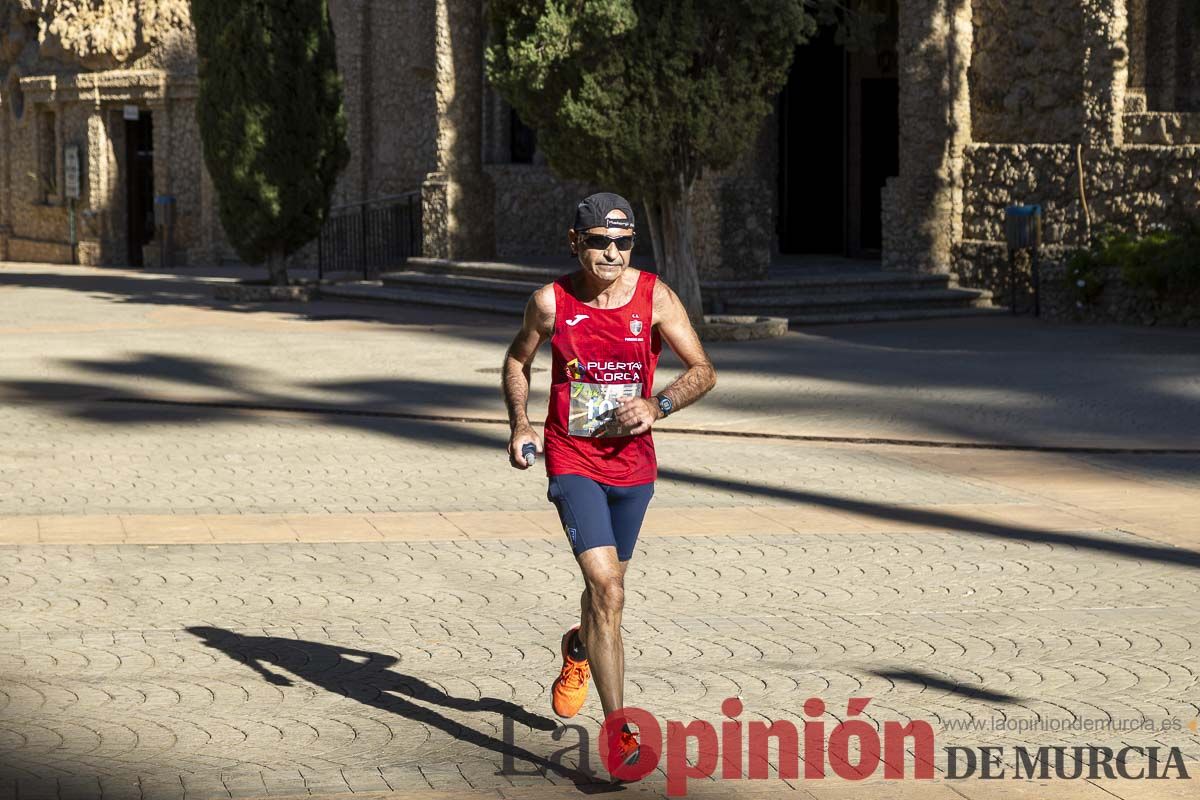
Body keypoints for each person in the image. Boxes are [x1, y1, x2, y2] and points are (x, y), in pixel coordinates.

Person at [501, 192, 717, 777]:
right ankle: (621, 731)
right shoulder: (550, 302)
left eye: (623, 243)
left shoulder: (655, 297)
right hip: (572, 459)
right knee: (609, 590)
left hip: (634, 467)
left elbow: (703, 370)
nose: (613, 253)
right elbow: (518, 361)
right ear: (576, 242)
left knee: (607, 592)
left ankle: (578, 648)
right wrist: (521, 423)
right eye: (600, 241)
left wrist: (659, 403)